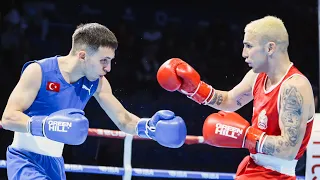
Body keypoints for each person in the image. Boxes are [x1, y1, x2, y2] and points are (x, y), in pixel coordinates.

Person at [1, 23, 187, 180]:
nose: (108, 68)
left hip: (55, 163)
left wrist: (150, 128)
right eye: (104, 60)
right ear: (82, 55)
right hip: (25, 159)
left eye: (110, 61)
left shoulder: (96, 83)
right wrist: (46, 125)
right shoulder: (39, 71)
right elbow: (8, 118)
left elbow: (124, 120)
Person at [156, 15, 314, 179]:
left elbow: (289, 150)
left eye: (249, 46)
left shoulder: (294, 87)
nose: (244, 53)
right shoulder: (257, 76)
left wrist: (247, 137)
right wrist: (195, 90)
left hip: (277, 175)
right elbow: (229, 100)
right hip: (253, 168)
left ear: (270, 48)